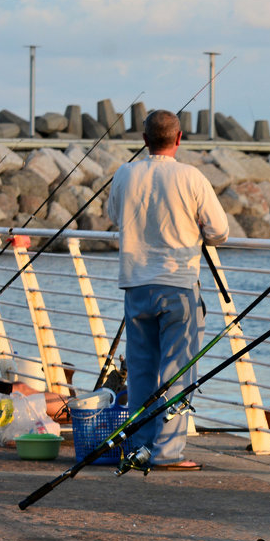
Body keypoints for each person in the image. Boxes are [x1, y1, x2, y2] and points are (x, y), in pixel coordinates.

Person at [106, 109, 228, 471]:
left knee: (142, 371)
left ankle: (140, 447)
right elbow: (219, 231)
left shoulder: (125, 174)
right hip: (179, 287)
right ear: (178, 139)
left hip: (135, 284)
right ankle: (167, 452)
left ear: (144, 140)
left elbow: (115, 215)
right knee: (177, 371)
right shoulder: (191, 176)